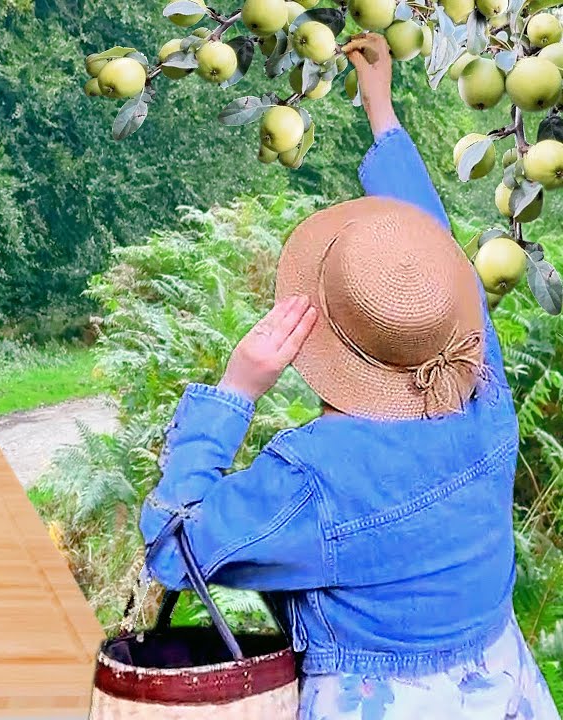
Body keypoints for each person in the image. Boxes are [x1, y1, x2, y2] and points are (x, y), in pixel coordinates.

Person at [137, 32, 560, 719]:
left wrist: (234, 393)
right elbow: (430, 259)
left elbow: (173, 549)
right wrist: (382, 115)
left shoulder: (314, 475)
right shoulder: (483, 384)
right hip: (499, 685)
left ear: (316, 338)